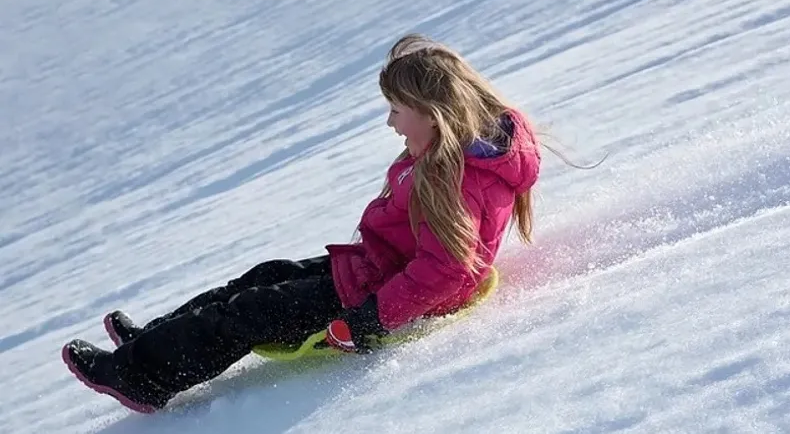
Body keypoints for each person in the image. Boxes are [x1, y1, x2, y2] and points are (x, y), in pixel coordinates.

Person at [62, 33, 542, 414]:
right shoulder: (455, 157)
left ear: (435, 117)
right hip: (376, 269)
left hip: (374, 297)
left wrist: (371, 319)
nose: (390, 123)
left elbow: (445, 272)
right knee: (264, 276)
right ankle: (152, 339)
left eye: (397, 111)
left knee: (248, 312)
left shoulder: (455, 179)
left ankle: (140, 377)